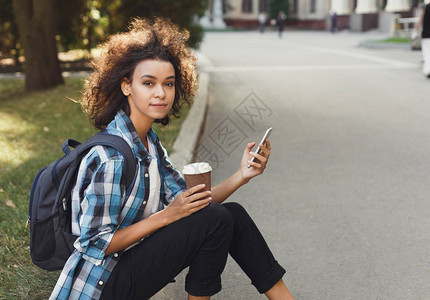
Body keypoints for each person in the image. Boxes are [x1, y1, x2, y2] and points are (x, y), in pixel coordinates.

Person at [49, 18, 295, 300]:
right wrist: (166, 215)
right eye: (148, 83)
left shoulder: (149, 143)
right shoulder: (111, 157)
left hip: (124, 270)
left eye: (168, 83)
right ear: (126, 86)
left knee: (231, 214)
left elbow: (190, 204)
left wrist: (242, 175)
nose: (160, 93)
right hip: (100, 286)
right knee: (215, 218)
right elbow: (95, 243)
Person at [415, 0, 430, 78]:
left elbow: (420, 20)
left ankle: (428, 70)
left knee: (427, 53)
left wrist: (416, 31)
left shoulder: (424, 7)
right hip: (426, 35)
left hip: (426, 35)